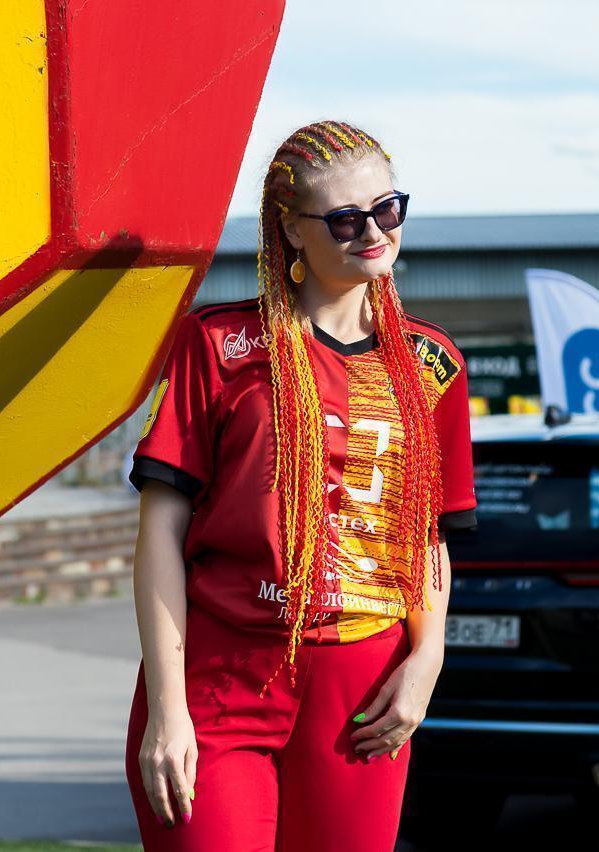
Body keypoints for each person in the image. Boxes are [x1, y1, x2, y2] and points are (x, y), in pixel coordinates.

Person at [122, 120, 478, 852]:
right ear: (290, 230)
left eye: (388, 209)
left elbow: (429, 534)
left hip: (363, 685)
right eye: (345, 219)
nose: (373, 233)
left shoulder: (432, 364)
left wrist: (427, 661)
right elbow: (159, 531)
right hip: (222, 673)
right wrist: (168, 709)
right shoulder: (218, 345)